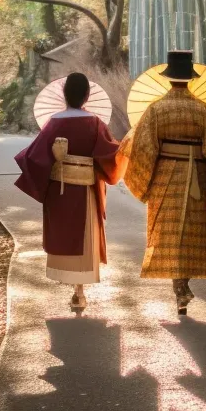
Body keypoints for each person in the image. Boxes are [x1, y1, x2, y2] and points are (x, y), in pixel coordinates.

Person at [122, 50, 206, 316]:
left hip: (165, 177)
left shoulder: (156, 109)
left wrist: (146, 179)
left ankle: (179, 290)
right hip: (196, 175)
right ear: (190, 79)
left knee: (170, 232)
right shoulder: (203, 110)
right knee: (189, 233)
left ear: (167, 78)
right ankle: (182, 285)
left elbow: (141, 148)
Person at [14, 72, 126, 312]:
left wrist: (53, 160)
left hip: (59, 190)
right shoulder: (95, 122)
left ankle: (75, 289)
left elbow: (32, 157)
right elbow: (110, 156)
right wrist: (123, 147)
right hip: (86, 189)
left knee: (66, 235)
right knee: (85, 236)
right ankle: (80, 290)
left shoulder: (53, 122)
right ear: (87, 96)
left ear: (63, 95)